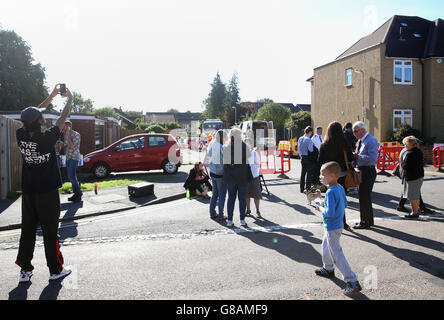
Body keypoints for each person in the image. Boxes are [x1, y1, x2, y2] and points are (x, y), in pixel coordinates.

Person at [15, 83, 73, 283]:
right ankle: (56, 270)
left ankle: (25, 270)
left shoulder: (20, 134)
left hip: (29, 191)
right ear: (39, 122)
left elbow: (29, 116)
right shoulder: (47, 138)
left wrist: (51, 95)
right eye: (41, 116)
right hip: (47, 192)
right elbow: (62, 118)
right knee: (50, 231)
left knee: (27, 231)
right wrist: (69, 98)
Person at [314, 161, 362, 297]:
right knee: (325, 246)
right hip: (337, 225)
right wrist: (325, 203)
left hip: (332, 226)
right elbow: (344, 204)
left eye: (323, 175)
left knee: (336, 253)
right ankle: (328, 269)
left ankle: (352, 281)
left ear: (333, 176)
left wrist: (320, 207)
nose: (321, 177)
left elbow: (329, 213)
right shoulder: (340, 188)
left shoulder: (330, 192)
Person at [317, 122, 354, 231]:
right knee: (341, 198)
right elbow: (351, 158)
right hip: (342, 174)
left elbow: (320, 161)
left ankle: (331, 221)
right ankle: (343, 222)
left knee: (330, 198)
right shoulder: (344, 143)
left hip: (329, 174)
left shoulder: (325, 144)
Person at [223, 128, 252, 227]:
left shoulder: (226, 147)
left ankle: (230, 220)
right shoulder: (244, 146)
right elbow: (249, 157)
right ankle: (242, 219)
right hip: (243, 175)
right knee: (242, 199)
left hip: (230, 176)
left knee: (231, 198)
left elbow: (225, 162)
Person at [352, 121, 379, 230]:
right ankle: (369, 220)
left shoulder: (371, 140)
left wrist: (357, 156)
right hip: (362, 170)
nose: (354, 133)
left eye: (356, 131)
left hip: (367, 170)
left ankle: (365, 222)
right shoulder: (361, 140)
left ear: (363, 130)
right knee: (364, 197)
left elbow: (372, 158)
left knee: (364, 197)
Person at [400, 136, 425, 219]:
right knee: (416, 195)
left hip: (412, 177)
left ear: (409, 144)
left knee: (413, 196)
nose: (404, 146)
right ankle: (415, 211)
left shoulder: (410, 153)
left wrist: (402, 162)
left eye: (405, 144)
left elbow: (405, 165)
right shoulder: (418, 151)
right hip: (419, 175)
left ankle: (414, 213)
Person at [207, 130, 228, 221]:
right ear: (222, 138)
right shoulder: (221, 146)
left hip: (212, 171)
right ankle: (221, 215)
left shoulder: (211, 143)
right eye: (225, 138)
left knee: (214, 194)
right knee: (222, 195)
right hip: (220, 173)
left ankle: (212, 212)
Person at [63, 121, 82, 202]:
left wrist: (68, 136)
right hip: (68, 157)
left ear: (68, 126)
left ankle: (78, 193)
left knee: (71, 176)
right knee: (72, 176)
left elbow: (72, 146)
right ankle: (77, 193)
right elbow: (67, 145)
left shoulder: (76, 135)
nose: (63, 128)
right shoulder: (65, 134)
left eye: (64, 126)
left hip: (74, 158)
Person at [245, 138, 262, 218]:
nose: (247, 145)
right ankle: (248, 209)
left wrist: (253, 168)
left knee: (256, 194)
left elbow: (258, 164)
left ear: (251, 145)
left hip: (254, 176)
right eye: (245, 143)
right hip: (245, 177)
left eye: (248, 143)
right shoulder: (242, 153)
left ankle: (257, 210)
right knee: (246, 194)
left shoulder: (254, 153)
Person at [297, 126, 314, 193]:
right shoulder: (309, 139)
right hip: (308, 157)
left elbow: (298, 149)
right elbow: (311, 149)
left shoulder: (300, 138)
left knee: (303, 173)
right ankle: (308, 188)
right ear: (310, 132)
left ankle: (301, 188)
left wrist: (301, 156)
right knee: (309, 174)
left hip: (302, 157)